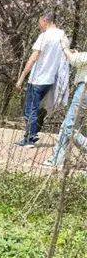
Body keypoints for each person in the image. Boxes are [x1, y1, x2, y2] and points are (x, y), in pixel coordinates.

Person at [15, 12, 68, 146]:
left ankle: (29, 139)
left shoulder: (44, 36)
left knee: (30, 109)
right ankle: (33, 134)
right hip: (50, 80)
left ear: (45, 21)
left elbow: (33, 57)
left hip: (38, 79)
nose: (40, 26)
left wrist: (21, 78)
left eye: (40, 23)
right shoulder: (62, 35)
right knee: (38, 108)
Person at [47, 35, 87, 168]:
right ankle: (57, 160)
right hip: (83, 89)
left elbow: (74, 60)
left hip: (84, 90)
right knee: (67, 125)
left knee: (69, 127)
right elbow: (79, 60)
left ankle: (57, 159)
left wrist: (65, 47)